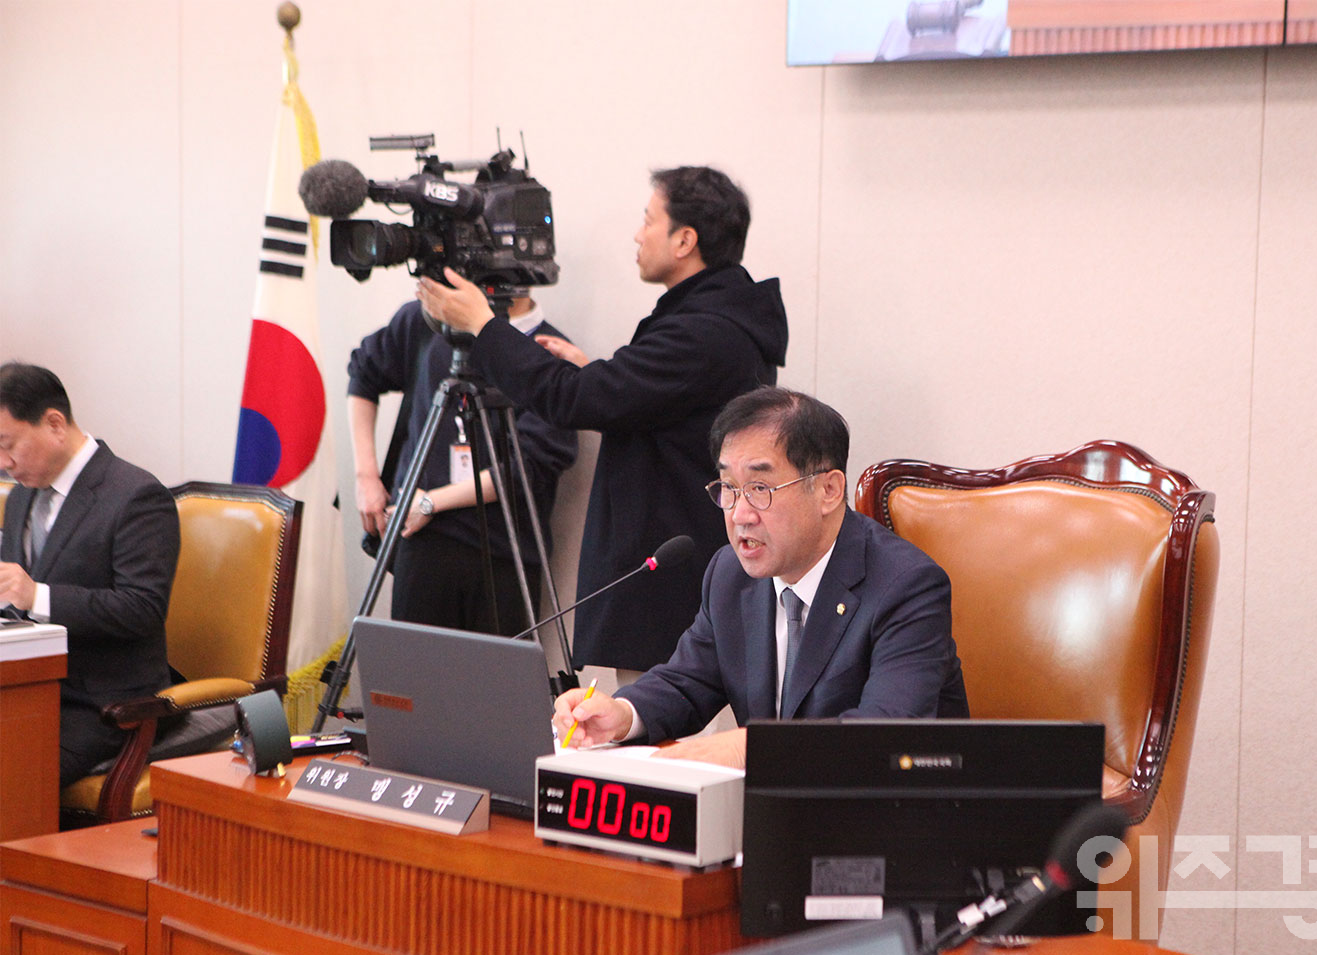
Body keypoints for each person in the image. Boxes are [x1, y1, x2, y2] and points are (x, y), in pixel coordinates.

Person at [415, 166, 789, 675]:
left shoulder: (703, 331)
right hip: (679, 570)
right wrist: (597, 373)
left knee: (653, 737)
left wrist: (482, 325)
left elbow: (571, 400)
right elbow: (657, 406)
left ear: (684, 240)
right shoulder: (715, 318)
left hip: (671, 585)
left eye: (648, 219)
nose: (637, 234)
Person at [551, 387, 969, 768]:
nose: (739, 514)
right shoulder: (730, 573)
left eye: (760, 488)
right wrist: (622, 716)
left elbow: (882, 735)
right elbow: (686, 681)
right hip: (769, 816)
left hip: (890, 823)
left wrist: (744, 747)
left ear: (828, 490)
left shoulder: (907, 585)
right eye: (728, 488)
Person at [347, 293, 578, 634]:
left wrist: (430, 503)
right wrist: (366, 476)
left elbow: (530, 468)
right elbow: (364, 372)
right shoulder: (428, 321)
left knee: (495, 684)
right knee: (416, 682)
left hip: (505, 552)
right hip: (422, 546)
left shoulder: (550, 351)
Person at [0, 362, 180, 787]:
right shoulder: (21, 498)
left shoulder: (135, 495)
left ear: (54, 424)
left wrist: (37, 596)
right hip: (26, 687)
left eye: (8, 445)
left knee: (10, 771)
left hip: (102, 704)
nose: (4, 463)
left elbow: (143, 608)